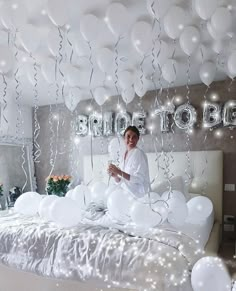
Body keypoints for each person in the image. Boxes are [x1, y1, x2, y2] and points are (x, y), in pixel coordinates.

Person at [107, 125, 150, 198]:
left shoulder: (138, 153)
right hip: (127, 194)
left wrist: (118, 171)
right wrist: (115, 176)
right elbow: (124, 181)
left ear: (138, 139)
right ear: (124, 138)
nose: (131, 139)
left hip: (139, 196)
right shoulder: (124, 154)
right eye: (128, 136)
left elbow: (139, 179)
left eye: (134, 137)